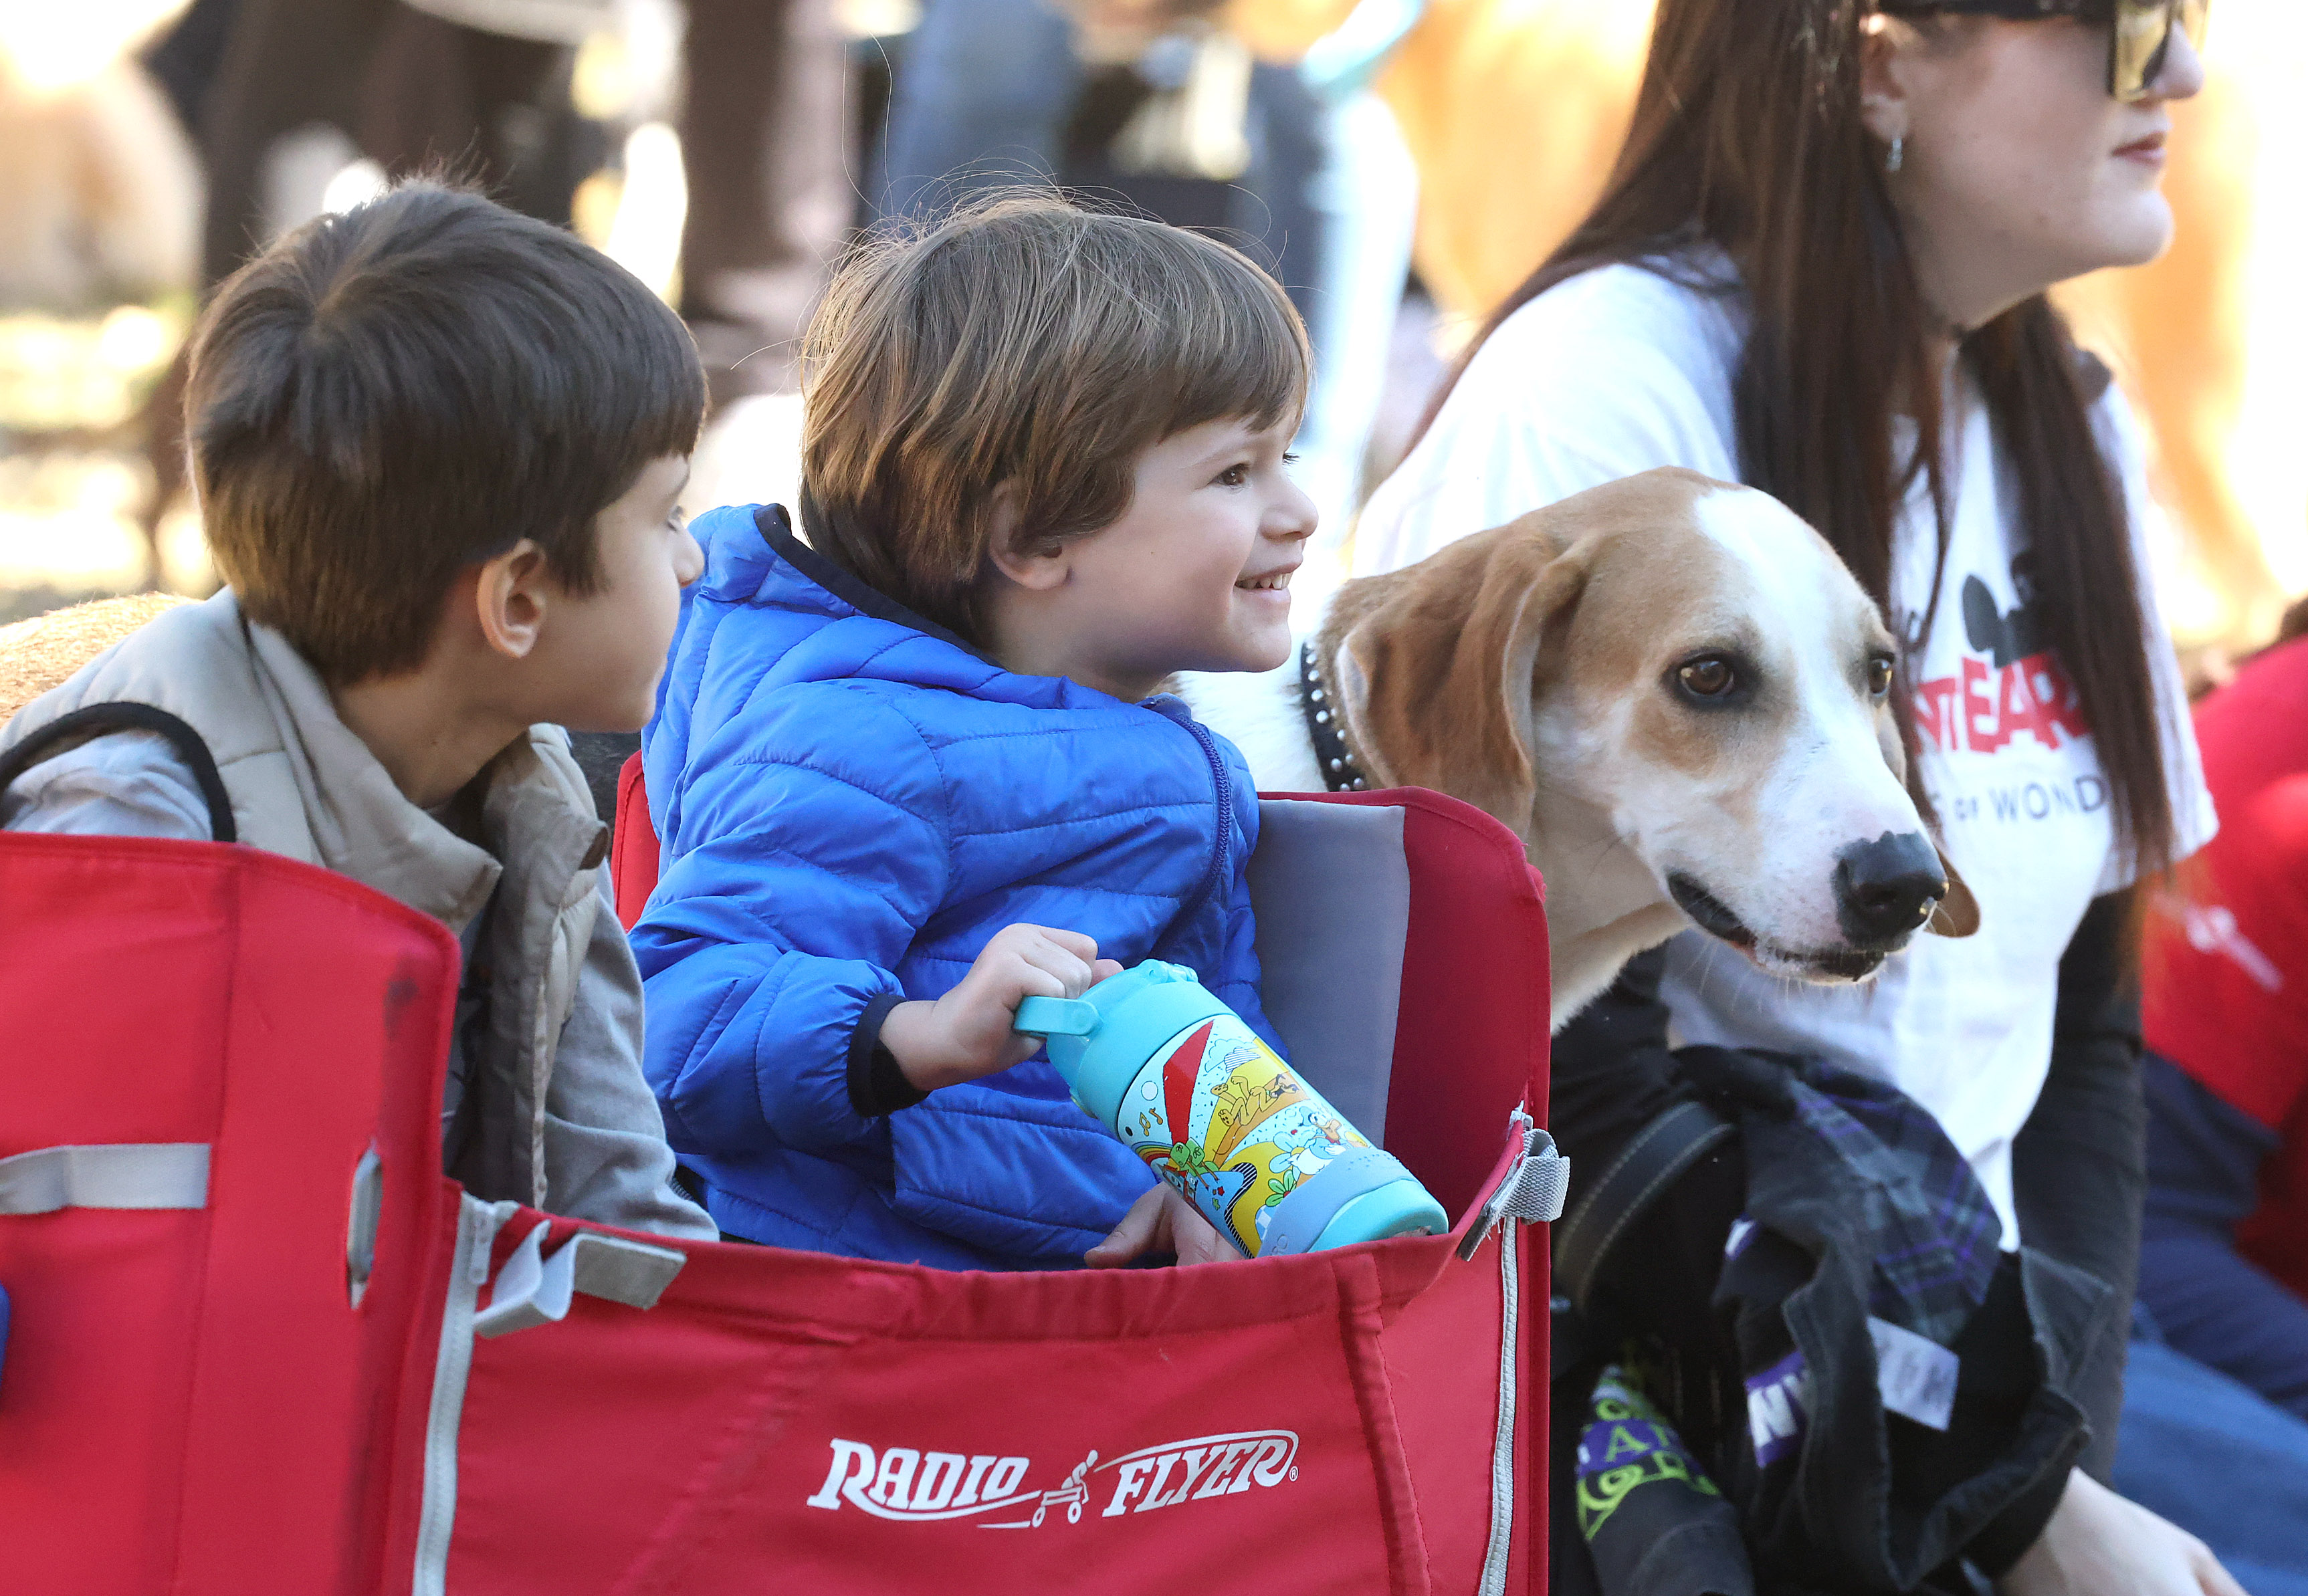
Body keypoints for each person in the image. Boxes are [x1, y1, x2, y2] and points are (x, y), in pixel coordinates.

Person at [1353, 1, 2239, 1591]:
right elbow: (1530, 1034)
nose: (2180, 75)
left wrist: (2038, 1465)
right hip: (1639, 1368)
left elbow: (2090, 1041)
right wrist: (2018, 1500)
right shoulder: (1601, 390)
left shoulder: (2071, 425)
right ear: (1884, 59)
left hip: (1959, 1360)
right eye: (2122, 27)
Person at [0, 181, 714, 1241]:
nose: (694, 558)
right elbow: (89, 1274)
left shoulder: (535, 791)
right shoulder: (139, 838)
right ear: (517, 600)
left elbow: (624, 1219)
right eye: (668, 517)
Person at [630, 193, 1317, 1270]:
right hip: (863, 1322)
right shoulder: (874, 746)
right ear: (1034, 536)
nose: (1302, 508)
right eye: (1237, 472)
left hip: (1060, 1312)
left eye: (1288, 455)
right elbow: (671, 1009)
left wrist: (1221, 1184)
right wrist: (921, 1038)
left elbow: (1208, 1023)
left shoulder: (1170, 752)